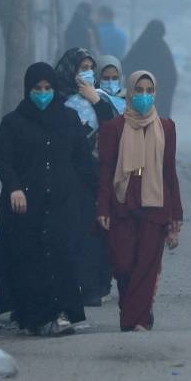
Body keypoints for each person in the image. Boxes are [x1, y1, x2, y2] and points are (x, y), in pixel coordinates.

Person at [0, 63, 91, 336]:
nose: (43, 93)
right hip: (25, 206)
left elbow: (83, 160)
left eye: (48, 88)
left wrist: (99, 195)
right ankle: (38, 317)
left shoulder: (68, 119)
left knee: (61, 257)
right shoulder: (14, 122)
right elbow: (0, 157)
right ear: (28, 90)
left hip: (61, 204)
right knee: (31, 260)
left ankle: (60, 312)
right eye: (37, 89)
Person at [97, 71, 183, 331]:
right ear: (129, 92)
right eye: (139, 90)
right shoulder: (114, 128)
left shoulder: (166, 127)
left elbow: (169, 171)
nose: (144, 96)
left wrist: (175, 215)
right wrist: (102, 207)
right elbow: (106, 169)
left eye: (149, 91)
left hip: (156, 201)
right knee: (123, 263)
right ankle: (132, 306)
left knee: (147, 263)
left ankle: (139, 319)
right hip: (123, 199)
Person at [55, 48, 116, 306]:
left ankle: (96, 285)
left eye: (91, 67)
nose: (87, 73)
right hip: (69, 177)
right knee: (75, 232)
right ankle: (78, 286)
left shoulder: (101, 99)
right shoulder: (57, 99)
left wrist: (97, 102)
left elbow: (112, 129)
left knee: (97, 231)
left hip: (96, 175)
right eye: (82, 68)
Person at [123, 20, 177, 119]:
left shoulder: (139, 46)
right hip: (159, 98)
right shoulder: (163, 49)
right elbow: (172, 76)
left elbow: (126, 66)